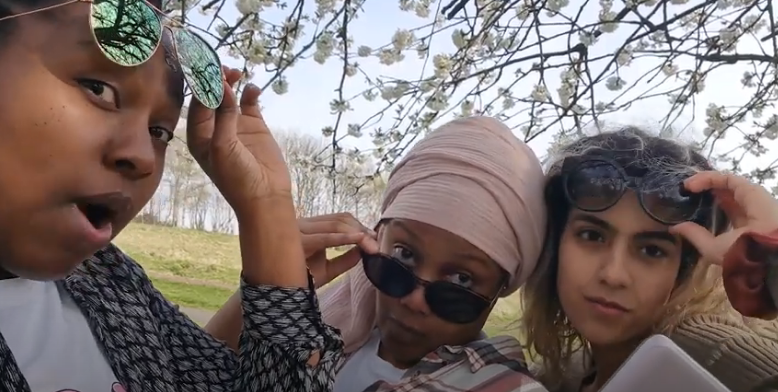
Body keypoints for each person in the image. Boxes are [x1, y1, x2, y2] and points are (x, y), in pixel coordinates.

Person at [0, 1, 341, 391]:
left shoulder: (109, 282)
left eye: (159, 131)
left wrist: (267, 206)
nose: (143, 156)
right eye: (99, 89)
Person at [206, 116, 551, 392]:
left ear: (499, 289)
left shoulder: (500, 385)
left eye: (461, 280)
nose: (414, 301)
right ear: (378, 238)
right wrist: (275, 288)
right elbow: (203, 373)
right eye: (403, 256)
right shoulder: (328, 327)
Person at [521, 127, 778, 392]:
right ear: (556, 242)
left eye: (652, 251)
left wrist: (770, 263)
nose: (613, 274)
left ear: (684, 269)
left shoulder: (710, 354)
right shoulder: (565, 373)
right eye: (592, 236)